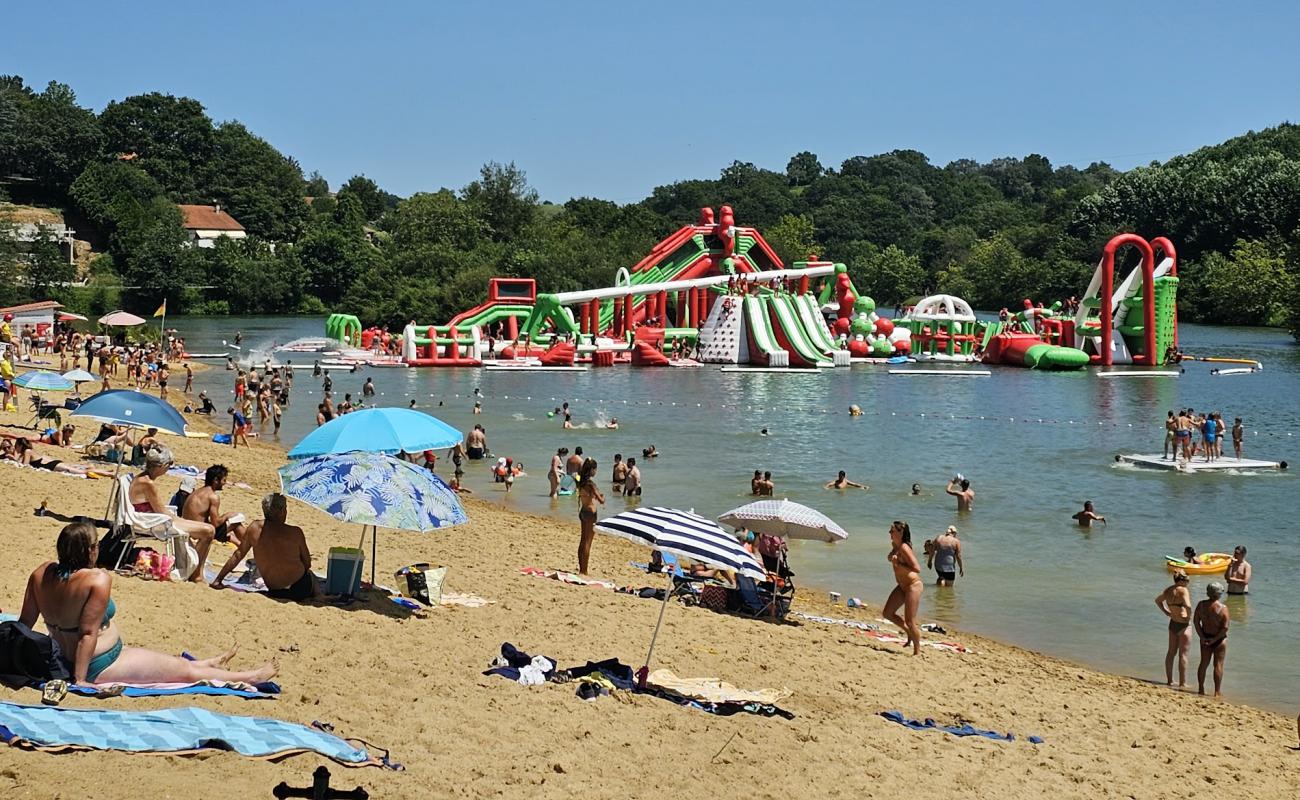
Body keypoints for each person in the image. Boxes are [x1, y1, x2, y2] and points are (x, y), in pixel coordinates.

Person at [20, 522, 277, 685]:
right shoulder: (96, 579)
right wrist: (79, 679)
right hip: (96, 665)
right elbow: (87, 634)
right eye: (97, 545)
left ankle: (205, 664)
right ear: (90, 550)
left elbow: (25, 625)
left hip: (72, 657)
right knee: (184, 672)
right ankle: (249, 677)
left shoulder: (41, 573)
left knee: (174, 662)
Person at [129, 448, 216, 582]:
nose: (169, 468)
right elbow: (162, 512)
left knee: (205, 529)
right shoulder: (148, 483)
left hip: (150, 519)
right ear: (161, 466)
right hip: (152, 522)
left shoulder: (141, 478)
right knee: (209, 531)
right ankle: (196, 574)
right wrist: (180, 520)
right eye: (169, 464)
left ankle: (195, 569)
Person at [211, 493, 316, 600]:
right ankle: (319, 596)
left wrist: (219, 579)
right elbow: (307, 563)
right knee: (310, 574)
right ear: (282, 512)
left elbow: (238, 555)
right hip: (300, 590)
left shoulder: (254, 528)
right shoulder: (295, 532)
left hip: (276, 591)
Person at [883, 521, 923, 655]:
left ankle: (917, 651)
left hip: (913, 586)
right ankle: (908, 633)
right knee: (887, 613)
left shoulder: (905, 547)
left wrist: (899, 564)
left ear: (900, 533)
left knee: (910, 621)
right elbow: (891, 558)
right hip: (902, 586)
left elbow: (917, 568)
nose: (889, 533)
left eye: (892, 530)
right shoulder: (896, 545)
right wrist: (893, 557)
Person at [182, 464, 246, 546]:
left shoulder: (197, 492)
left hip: (188, 527)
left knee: (230, 533)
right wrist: (227, 515)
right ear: (216, 480)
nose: (225, 483)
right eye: (224, 480)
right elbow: (216, 523)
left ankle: (242, 546)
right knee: (236, 523)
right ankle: (252, 544)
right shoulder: (213, 497)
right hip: (198, 531)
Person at [1156, 570, 1193, 688]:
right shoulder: (1183, 590)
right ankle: (1182, 683)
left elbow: (1158, 600)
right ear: (1182, 580)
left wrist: (1167, 612)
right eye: (1187, 580)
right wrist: (1188, 615)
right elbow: (1188, 605)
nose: (1188, 583)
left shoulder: (1168, 590)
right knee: (1183, 655)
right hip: (1184, 625)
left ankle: (1170, 681)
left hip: (1173, 623)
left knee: (1171, 653)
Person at [1193, 582, 1230, 697]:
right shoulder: (1223, 609)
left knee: (1203, 663)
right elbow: (1225, 628)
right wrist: (1214, 640)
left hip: (1205, 637)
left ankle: (1201, 688)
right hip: (1218, 640)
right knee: (1218, 665)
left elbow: (1196, 622)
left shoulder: (1201, 605)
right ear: (1219, 594)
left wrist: (1202, 637)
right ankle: (1217, 691)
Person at [576, 458, 605, 575]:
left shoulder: (581, 482)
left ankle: (581, 567)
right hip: (590, 513)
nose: (596, 471)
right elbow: (601, 500)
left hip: (583, 510)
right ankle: (584, 570)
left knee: (583, 541)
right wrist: (603, 497)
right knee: (588, 542)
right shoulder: (591, 484)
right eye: (595, 469)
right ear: (592, 470)